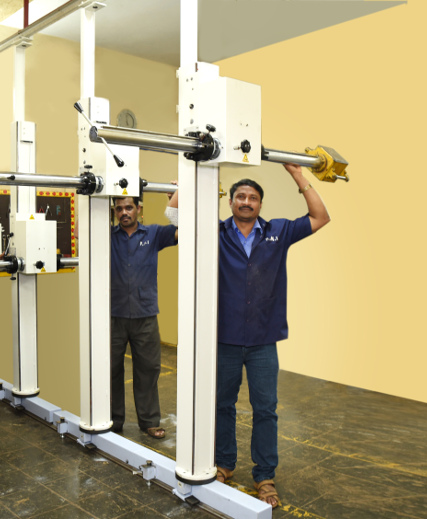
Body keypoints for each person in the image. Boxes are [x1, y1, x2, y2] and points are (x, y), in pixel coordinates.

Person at [166, 164, 331, 508]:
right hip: (223, 339)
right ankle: (224, 463)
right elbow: (175, 218)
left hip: (262, 340)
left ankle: (265, 476)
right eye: (240, 196)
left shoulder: (278, 232)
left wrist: (299, 175)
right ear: (230, 202)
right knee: (222, 405)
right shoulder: (215, 232)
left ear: (259, 204)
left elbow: (320, 216)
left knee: (265, 409)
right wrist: (186, 183)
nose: (246, 201)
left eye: (252, 197)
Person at [111, 195, 178, 439]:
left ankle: (149, 421)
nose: (124, 212)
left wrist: (176, 200)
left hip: (145, 315)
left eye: (129, 207)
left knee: (148, 369)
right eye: (119, 208)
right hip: (112, 315)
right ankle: (113, 420)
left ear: (139, 209)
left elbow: (185, 230)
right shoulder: (106, 235)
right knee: (110, 369)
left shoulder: (154, 234)